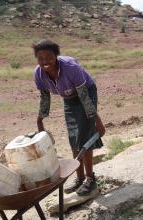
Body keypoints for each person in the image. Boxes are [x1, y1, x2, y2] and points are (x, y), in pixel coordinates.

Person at [33, 39, 105, 196]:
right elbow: (45, 98)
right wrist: (40, 119)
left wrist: (96, 121)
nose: (45, 62)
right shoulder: (38, 74)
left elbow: (84, 96)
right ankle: (79, 178)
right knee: (73, 137)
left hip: (85, 92)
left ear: (56, 56)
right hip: (68, 98)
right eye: (40, 58)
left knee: (85, 135)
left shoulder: (71, 67)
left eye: (49, 57)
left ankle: (90, 179)